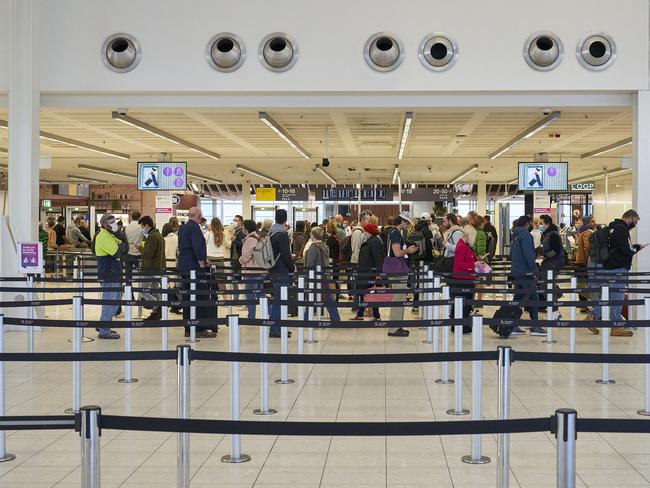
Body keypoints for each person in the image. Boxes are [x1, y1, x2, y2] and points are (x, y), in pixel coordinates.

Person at [589, 210, 645, 337]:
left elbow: (620, 246)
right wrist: (637, 248)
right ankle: (617, 327)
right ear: (630, 218)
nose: (634, 224)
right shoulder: (621, 229)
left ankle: (592, 317)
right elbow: (626, 249)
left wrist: (633, 247)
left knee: (611, 295)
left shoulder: (613, 227)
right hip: (618, 267)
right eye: (635, 221)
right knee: (618, 297)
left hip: (610, 266)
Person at [177, 207, 216, 338]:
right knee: (200, 296)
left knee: (188, 297)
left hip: (184, 266)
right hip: (194, 268)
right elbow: (197, 247)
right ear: (198, 216)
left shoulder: (183, 228)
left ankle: (188, 327)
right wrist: (202, 263)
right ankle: (199, 328)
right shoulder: (194, 228)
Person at [510, 216, 545, 336]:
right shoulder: (525, 235)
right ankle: (535, 326)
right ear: (527, 223)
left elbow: (512, 253)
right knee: (534, 297)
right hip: (525, 272)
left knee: (518, 298)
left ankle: (512, 324)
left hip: (516, 270)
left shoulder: (515, 235)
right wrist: (534, 270)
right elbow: (528, 255)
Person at [93, 214, 127, 339]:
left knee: (115, 301)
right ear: (104, 225)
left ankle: (103, 323)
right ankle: (104, 329)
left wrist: (122, 245)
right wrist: (122, 246)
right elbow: (117, 252)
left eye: (114, 221)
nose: (114, 224)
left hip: (115, 273)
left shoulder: (110, 235)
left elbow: (124, 246)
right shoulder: (102, 236)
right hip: (109, 274)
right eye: (111, 222)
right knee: (110, 301)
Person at [386, 211, 418, 337]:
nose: (408, 225)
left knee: (400, 298)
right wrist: (408, 250)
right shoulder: (395, 233)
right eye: (407, 223)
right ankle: (394, 328)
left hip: (397, 269)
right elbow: (397, 252)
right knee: (398, 299)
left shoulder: (394, 232)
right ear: (403, 221)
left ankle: (396, 326)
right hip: (397, 270)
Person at [304, 227, 340, 321]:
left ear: (313, 235)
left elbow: (309, 265)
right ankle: (336, 318)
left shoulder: (313, 248)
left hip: (315, 277)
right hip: (325, 276)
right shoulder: (324, 246)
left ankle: (305, 319)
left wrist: (307, 277)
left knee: (311, 299)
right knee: (327, 299)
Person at [268, 209, 294, 338]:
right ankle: (275, 328)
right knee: (279, 300)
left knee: (278, 299)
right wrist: (292, 267)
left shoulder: (271, 233)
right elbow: (286, 255)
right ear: (285, 219)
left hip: (273, 269)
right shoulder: (282, 235)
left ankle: (278, 326)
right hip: (281, 271)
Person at [352, 223, 385, 321]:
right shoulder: (370, 241)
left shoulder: (374, 242)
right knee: (364, 294)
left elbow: (378, 259)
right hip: (365, 272)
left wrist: (378, 274)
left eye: (365, 231)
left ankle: (375, 316)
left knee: (371, 294)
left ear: (369, 232)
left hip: (369, 272)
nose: (364, 232)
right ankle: (363, 314)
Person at [138, 216, 165, 321]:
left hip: (149, 268)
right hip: (157, 267)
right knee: (155, 290)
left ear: (147, 225)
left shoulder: (153, 236)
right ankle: (156, 313)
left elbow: (149, 254)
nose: (142, 228)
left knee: (142, 290)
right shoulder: (159, 235)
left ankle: (157, 306)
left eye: (142, 226)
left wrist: (140, 248)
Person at [539, 214, 564, 321]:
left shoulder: (553, 235)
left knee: (547, 285)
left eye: (541, 223)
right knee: (547, 285)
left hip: (553, 263)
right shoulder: (547, 234)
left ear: (547, 223)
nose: (540, 225)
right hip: (549, 263)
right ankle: (554, 306)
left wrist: (545, 256)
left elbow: (557, 250)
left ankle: (555, 311)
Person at [451, 230, 477, 327]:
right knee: (463, 304)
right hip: (463, 279)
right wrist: (474, 264)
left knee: (463, 304)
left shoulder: (463, 245)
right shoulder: (462, 246)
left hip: (466, 278)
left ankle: (462, 325)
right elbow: (459, 263)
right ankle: (462, 326)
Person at [239, 219, 262, 320]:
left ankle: (251, 317)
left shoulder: (250, 239)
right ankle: (269, 311)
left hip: (252, 270)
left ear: (246, 228)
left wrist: (240, 260)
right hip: (260, 269)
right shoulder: (256, 237)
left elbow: (247, 255)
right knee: (260, 293)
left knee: (250, 294)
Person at [123, 211, 143, 277]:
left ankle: (128, 286)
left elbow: (124, 239)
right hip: (138, 253)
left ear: (131, 217)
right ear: (139, 218)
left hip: (128, 253)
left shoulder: (126, 227)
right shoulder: (141, 227)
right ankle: (141, 287)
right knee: (141, 273)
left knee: (128, 274)